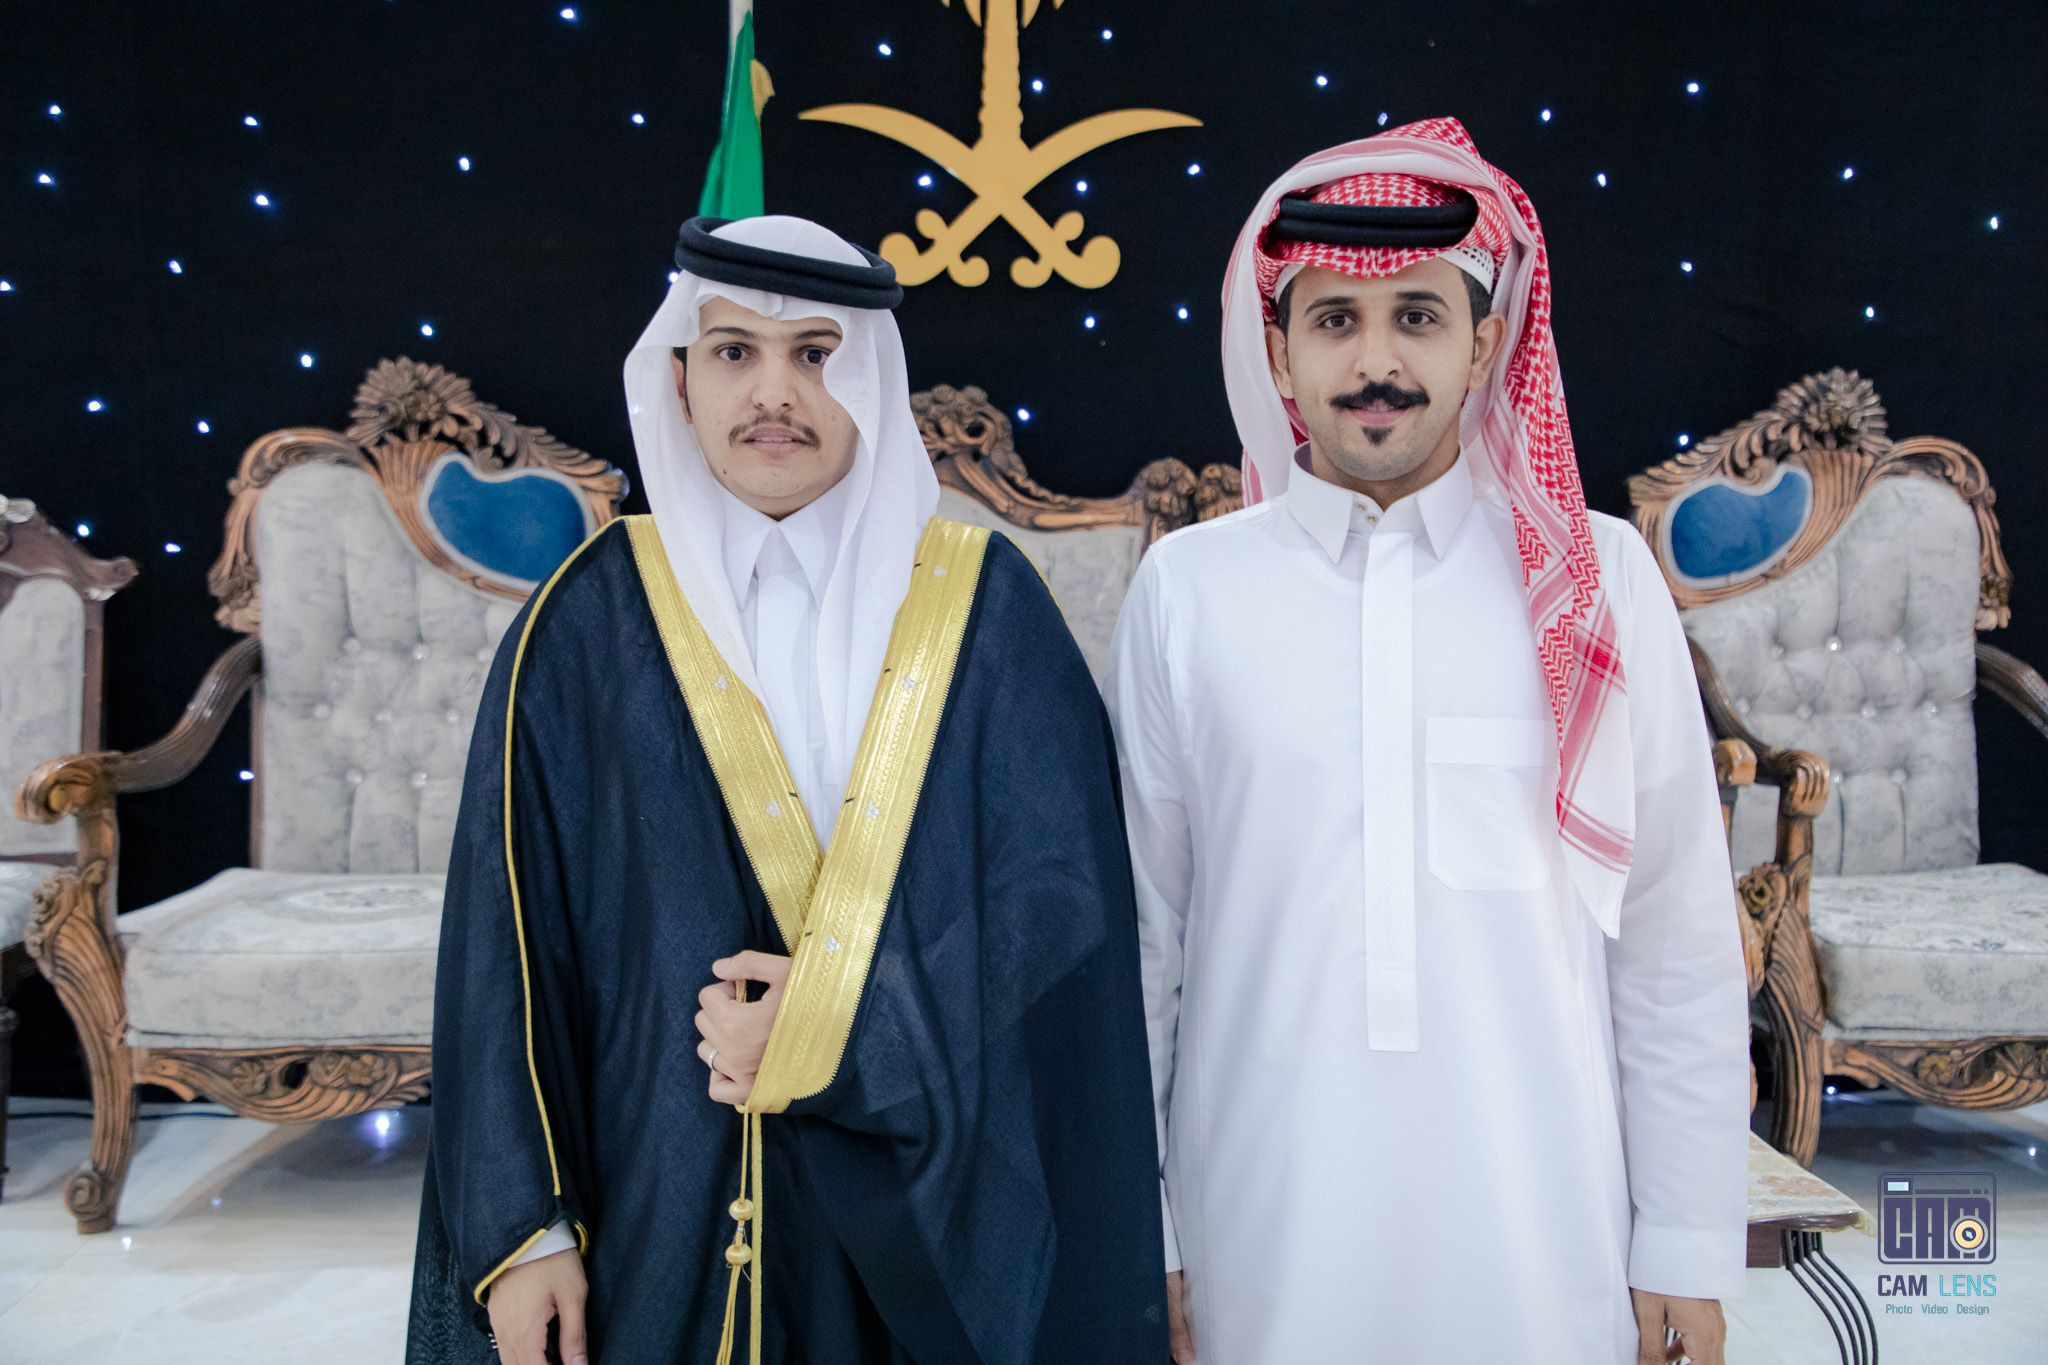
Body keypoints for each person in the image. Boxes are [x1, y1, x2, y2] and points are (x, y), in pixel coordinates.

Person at [406, 215, 1166, 1365]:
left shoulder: (985, 604)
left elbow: (1057, 902)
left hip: (925, 1185)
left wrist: (844, 1034)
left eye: (815, 353)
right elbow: (504, 947)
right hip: (654, 1197)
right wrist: (524, 1231)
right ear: (679, 381)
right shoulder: (584, 621)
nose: (775, 392)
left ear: (871, 382)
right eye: (733, 352)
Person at [1107, 119, 1750, 1365]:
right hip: (1258, 1226)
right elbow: (1146, 944)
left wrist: (1680, 1239)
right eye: (1332, 320)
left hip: (1540, 1231)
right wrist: (1152, 1229)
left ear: (1483, 346)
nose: (1375, 361)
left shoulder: (1595, 581)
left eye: (1416, 315)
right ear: (1278, 354)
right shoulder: (1187, 591)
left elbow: (1670, 933)